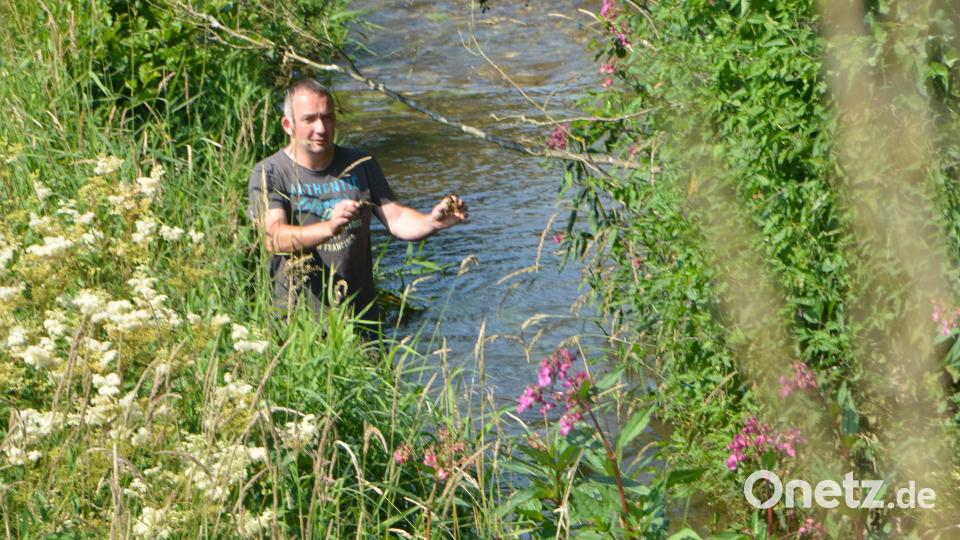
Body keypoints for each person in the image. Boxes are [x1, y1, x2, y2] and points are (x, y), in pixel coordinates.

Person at [247, 79, 468, 329]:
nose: (321, 128)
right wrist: (329, 227)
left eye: (327, 117)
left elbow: (396, 219)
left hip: (362, 319)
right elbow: (274, 238)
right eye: (309, 119)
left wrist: (432, 221)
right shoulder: (270, 172)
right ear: (288, 125)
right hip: (299, 326)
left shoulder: (361, 164)